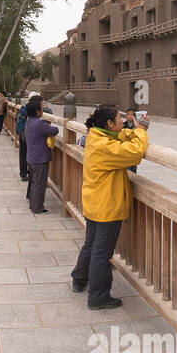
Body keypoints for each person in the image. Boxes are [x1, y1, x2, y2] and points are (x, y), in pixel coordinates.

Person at [70, 105, 147, 310]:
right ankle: (98, 296)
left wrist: (134, 129)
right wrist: (140, 132)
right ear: (110, 124)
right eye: (119, 120)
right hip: (106, 206)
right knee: (101, 252)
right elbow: (135, 152)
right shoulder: (105, 146)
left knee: (91, 244)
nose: (123, 122)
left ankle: (79, 278)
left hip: (95, 202)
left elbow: (121, 136)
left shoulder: (97, 136)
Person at [22, 101, 59, 214]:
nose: (42, 111)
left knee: (35, 182)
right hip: (40, 158)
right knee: (40, 184)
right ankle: (37, 207)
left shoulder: (28, 122)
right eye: (41, 109)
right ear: (38, 112)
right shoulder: (39, 123)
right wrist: (49, 124)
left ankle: (33, 204)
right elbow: (54, 131)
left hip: (31, 157)